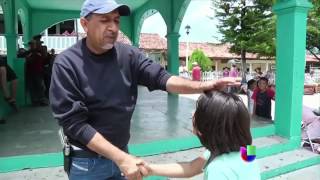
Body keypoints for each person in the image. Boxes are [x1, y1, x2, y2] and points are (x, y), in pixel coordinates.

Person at [49, 0, 240, 179]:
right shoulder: (67, 63)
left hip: (123, 153)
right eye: (104, 20)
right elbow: (75, 124)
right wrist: (121, 158)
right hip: (87, 163)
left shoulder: (128, 55)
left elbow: (162, 78)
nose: (113, 27)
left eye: (116, 20)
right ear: (85, 24)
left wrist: (202, 86)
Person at [143, 91, 261, 180]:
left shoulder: (218, 169)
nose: (192, 113)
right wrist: (150, 169)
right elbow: (191, 168)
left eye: (197, 110)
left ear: (206, 128)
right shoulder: (247, 152)